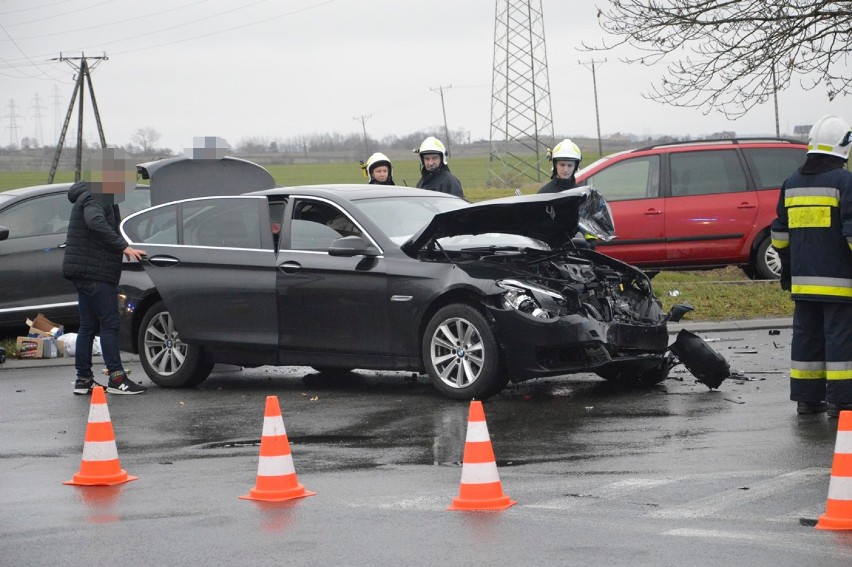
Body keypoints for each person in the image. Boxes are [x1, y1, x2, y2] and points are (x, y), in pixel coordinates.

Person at [770, 114, 852, 417]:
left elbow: (779, 232)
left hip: (803, 282)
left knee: (807, 340)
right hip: (841, 283)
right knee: (841, 340)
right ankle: (842, 400)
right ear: (844, 146)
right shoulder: (845, 182)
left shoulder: (791, 182)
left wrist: (788, 266)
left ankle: (807, 399)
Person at [63, 148, 148, 396]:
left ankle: (83, 380)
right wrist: (124, 247)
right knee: (109, 323)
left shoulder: (90, 191)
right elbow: (95, 222)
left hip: (84, 270)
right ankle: (117, 379)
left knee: (88, 326)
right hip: (96, 271)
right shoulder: (97, 195)